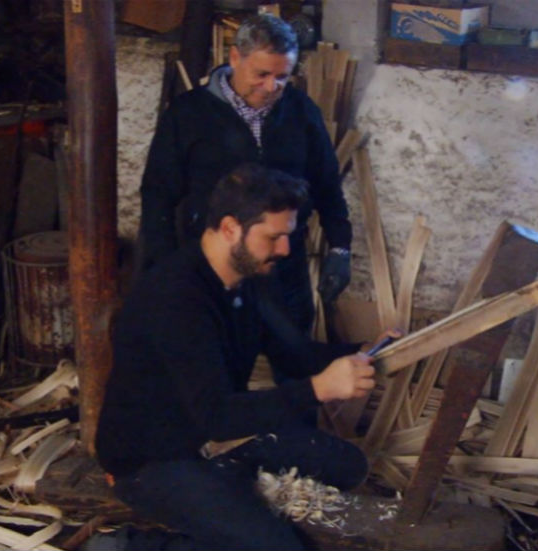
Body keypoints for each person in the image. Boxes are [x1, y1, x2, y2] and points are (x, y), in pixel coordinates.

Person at [97, 164, 391, 550]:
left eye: (288, 236)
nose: (285, 250)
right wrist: (319, 388)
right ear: (230, 228)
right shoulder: (176, 298)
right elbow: (218, 416)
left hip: (214, 439)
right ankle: (128, 546)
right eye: (274, 237)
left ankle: (229, 499)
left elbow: (295, 355)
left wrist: (367, 351)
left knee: (347, 466)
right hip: (152, 458)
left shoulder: (246, 279)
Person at [137, 14, 351, 334]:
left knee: (293, 349)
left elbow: (327, 183)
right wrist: (164, 266)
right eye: (262, 74)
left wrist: (340, 246)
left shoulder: (301, 111)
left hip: (282, 262)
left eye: (282, 76)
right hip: (215, 266)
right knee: (218, 349)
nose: (272, 87)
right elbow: (158, 194)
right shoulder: (188, 114)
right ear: (235, 57)